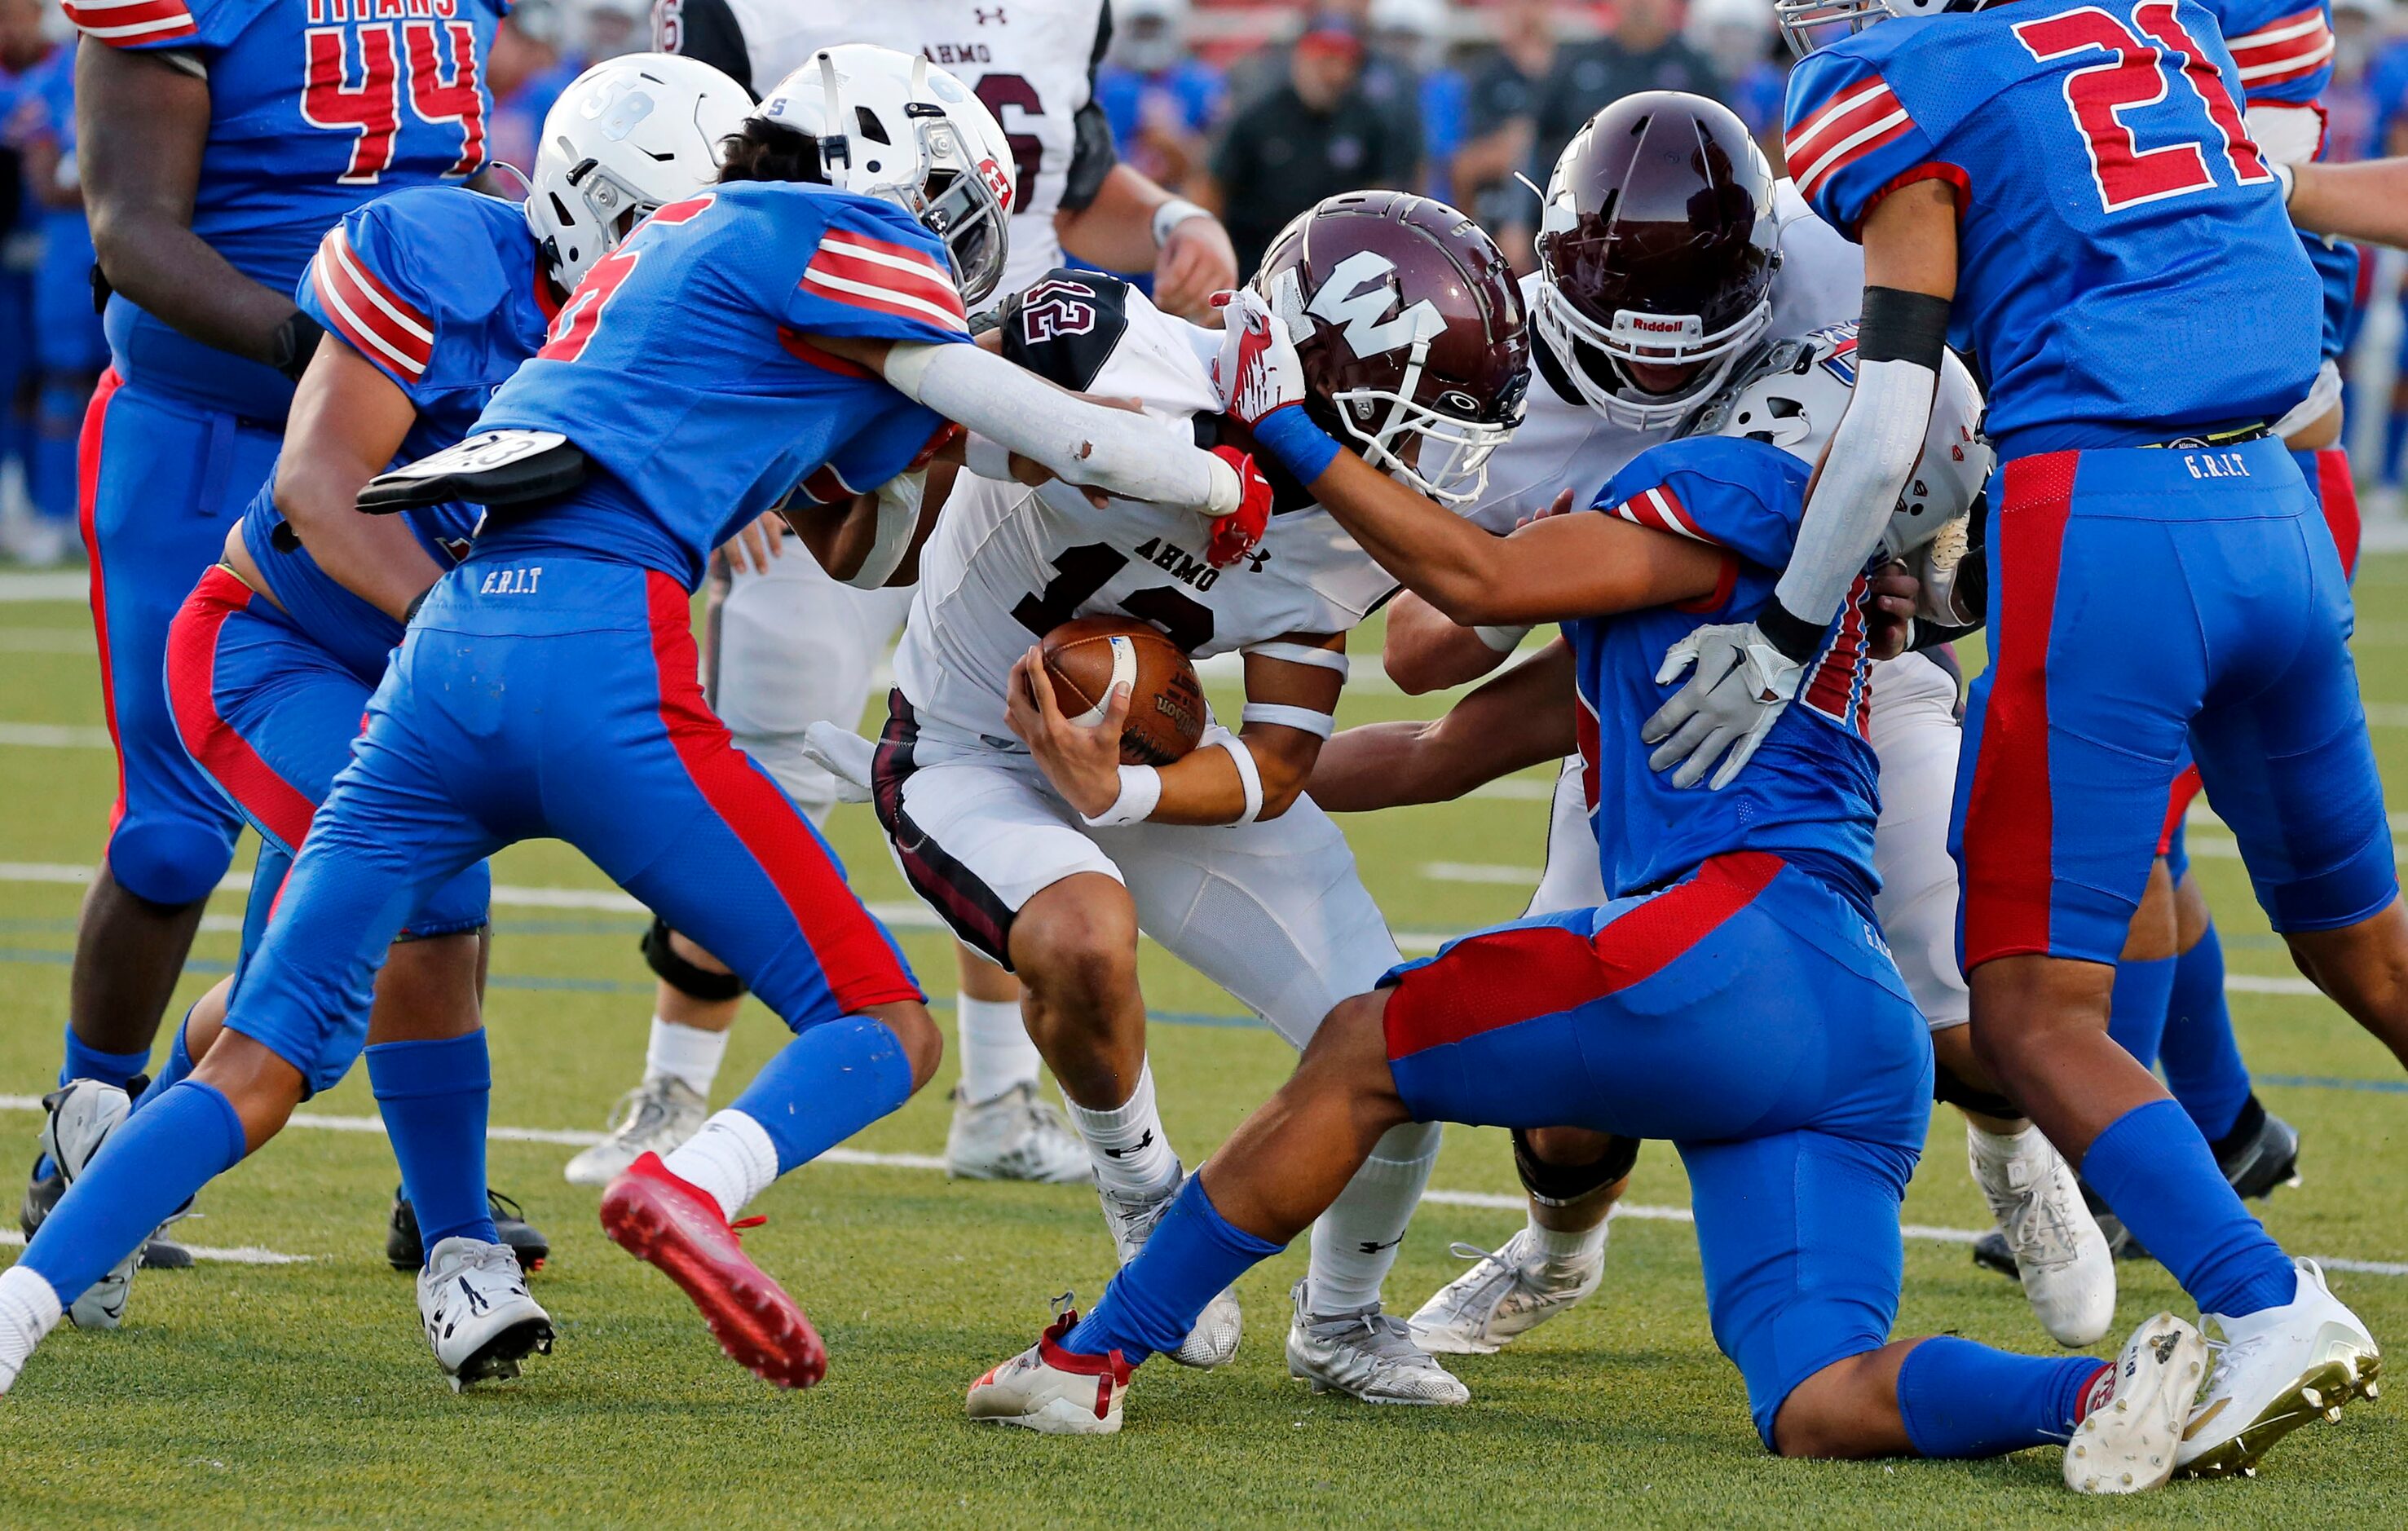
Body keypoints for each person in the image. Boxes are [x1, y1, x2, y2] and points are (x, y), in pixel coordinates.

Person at [0, 44, 1267, 1401]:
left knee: (262, 1051)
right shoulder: (803, 230)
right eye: (942, 204)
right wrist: (1207, 471)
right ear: (868, 182)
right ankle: (677, 1180)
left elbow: (861, 515)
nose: (948, 242)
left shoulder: (648, 263)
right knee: (879, 1026)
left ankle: (19, 1304)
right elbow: (1022, 419)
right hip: (552, 650)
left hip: (444, 655)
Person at [965, 292, 2211, 1498]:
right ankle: (2097, 1396)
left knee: (1362, 1041)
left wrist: (1285, 421)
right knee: (1816, 1398)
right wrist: (1173, 786)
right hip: (1849, 1026)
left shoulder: (1747, 495)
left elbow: (1484, 586)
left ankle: (1089, 1358)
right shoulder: (1749, 589)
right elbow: (1431, 752)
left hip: (1727, 946)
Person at [1646, 0, 2397, 1477]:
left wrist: (1791, 630)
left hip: (2111, 524)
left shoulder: (1890, 82)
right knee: (2358, 945)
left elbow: (1888, 411)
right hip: (2273, 506)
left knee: (2028, 1009)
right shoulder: (2149, 25)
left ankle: (2260, 1302)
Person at [1363, 94, 2111, 1357]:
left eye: (1687, 343)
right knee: (1561, 1066)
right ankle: (1553, 1250)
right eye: (1626, 347)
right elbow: (1413, 654)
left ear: (1763, 272)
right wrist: (1540, 564)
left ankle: (2011, 1150)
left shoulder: (1844, 247)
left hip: (1858, 685)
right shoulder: (1517, 371)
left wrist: (1922, 578)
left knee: (1968, 1006)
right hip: (1646, 719)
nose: (1655, 374)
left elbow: (1969, 512)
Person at [62, 55, 746, 1383]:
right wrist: (476, 648)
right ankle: (458, 1255)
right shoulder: (440, 252)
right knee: (432, 892)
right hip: (277, 646)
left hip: (410, 657)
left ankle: (111, 1143)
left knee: (297, 1010)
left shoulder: (665, 343)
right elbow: (321, 491)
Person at [807, 189, 1526, 1405]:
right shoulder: (1112, 349)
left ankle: (1343, 1317)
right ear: (1336, 366)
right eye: (1422, 419)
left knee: (1396, 1031)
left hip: (1139, 773)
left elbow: (1279, 761)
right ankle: (1141, 1187)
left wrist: (1125, 786)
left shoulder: (1347, 534)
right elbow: (891, 423)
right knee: (1084, 931)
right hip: (970, 747)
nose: (1437, 458)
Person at [578, 0, 1246, 1191]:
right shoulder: (754, 13)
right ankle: (672, 1085)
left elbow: (1069, 173)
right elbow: (670, 191)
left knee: (1000, 746)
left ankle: (996, 1097)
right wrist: (708, 441)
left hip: (1016, 403)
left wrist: (1180, 214)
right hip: (830, 403)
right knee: (761, 750)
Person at [31, 0, 509, 1256]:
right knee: (175, 837)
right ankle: (92, 1112)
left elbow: (459, 179)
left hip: (396, 449)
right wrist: (333, 354)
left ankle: (438, 1187)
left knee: (417, 793)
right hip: (201, 433)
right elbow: (132, 233)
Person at [1202, 15, 1417, 275]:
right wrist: (1211, 251)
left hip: (1338, 270)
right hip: (1259, 264)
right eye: (1325, 58)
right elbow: (1211, 185)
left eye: (1346, 61)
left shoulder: (1368, 121)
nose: (1335, 73)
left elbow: (1385, 197)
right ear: (1301, 57)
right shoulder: (1259, 117)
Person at [1, 17, 95, 565]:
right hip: (62, 256)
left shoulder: (80, 67)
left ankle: (97, 512)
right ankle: (52, 512)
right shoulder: (43, 87)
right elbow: (45, 182)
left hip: (119, 251)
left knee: (125, 384)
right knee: (58, 382)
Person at [1528, 0, 1727, 195]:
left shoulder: (1697, 70)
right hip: (1586, 204)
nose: (1639, 4)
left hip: (1674, 206)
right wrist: (1520, 220)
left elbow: (1722, 145)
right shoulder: (1575, 65)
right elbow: (1537, 141)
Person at [1451, 0, 1556, 270]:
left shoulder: (1567, 71)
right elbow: (1469, 162)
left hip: (1558, 195)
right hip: (1502, 199)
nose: (1525, 15)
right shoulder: (1487, 76)